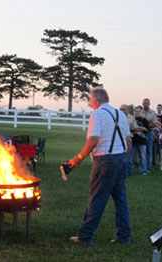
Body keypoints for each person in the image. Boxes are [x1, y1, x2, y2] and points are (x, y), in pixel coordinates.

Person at [67, 87, 131, 244]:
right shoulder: (121, 114)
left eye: (90, 100)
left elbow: (93, 139)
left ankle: (85, 237)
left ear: (96, 100)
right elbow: (129, 140)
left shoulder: (97, 114)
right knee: (121, 201)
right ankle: (124, 237)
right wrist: (124, 158)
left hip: (104, 162)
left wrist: (78, 158)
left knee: (96, 200)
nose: (90, 104)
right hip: (121, 159)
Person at [127, 106, 149, 176]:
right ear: (134, 112)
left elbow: (146, 129)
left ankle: (143, 170)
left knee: (142, 157)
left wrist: (136, 128)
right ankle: (130, 171)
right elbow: (129, 128)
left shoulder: (144, 120)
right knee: (131, 157)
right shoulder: (131, 119)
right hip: (133, 140)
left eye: (139, 111)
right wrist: (139, 128)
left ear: (141, 112)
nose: (137, 112)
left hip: (142, 140)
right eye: (136, 111)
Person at [141, 98, 158, 173]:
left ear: (149, 104)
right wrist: (148, 124)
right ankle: (143, 167)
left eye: (147, 103)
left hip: (150, 133)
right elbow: (138, 124)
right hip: (141, 134)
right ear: (142, 104)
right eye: (144, 103)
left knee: (149, 150)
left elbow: (154, 124)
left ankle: (148, 167)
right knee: (142, 151)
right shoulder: (140, 112)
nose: (145, 104)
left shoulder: (153, 113)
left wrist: (146, 125)